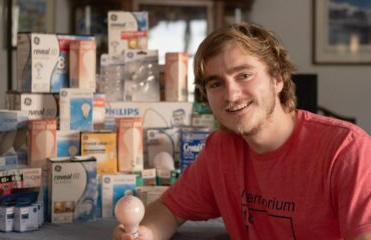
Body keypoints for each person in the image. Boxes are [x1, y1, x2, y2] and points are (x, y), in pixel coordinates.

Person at [113, 22, 371, 240]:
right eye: (216, 83)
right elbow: (169, 210)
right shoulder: (221, 150)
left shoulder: (346, 149)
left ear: (277, 79)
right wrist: (141, 233)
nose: (231, 95)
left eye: (244, 75)